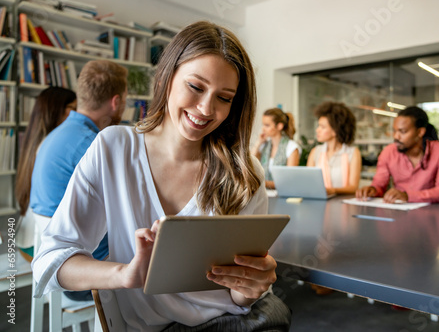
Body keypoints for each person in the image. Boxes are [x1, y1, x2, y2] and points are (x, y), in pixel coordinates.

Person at [32, 21, 291, 331]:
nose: (206, 108)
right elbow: (51, 259)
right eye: (195, 87)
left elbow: (237, 298)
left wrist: (248, 290)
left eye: (224, 98)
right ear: (167, 78)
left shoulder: (244, 172)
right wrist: (124, 275)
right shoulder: (114, 148)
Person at [30, 60, 128, 301]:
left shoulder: (57, 133)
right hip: (78, 273)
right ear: (116, 102)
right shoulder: (92, 145)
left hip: (53, 260)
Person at [15, 87, 77, 260]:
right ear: (56, 110)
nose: (77, 114)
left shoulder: (35, 142)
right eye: (73, 108)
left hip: (27, 233)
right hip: (36, 241)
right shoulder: (53, 145)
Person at [356, 106, 439, 203]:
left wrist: (408, 196)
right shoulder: (388, 152)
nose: (396, 136)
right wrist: (372, 190)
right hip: (399, 213)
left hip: (433, 215)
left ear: (420, 132)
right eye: (394, 131)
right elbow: (379, 184)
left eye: (403, 131)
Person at [307, 102, 361, 195]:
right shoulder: (315, 152)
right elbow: (308, 183)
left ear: (335, 130)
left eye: (322, 127)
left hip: (344, 205)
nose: (317, 130)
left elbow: (353, 188)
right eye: (318, 126)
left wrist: (332, 191)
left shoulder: (352, 153)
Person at [252, 107, 300, 189]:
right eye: (263, 125)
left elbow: (289, 181)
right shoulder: (264, 145)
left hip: (282, 196)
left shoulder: (291, 147)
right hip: (264, 195)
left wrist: (263, 183)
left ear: (279, 126)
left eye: (267, 125)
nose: (263, 128)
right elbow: (250, 164)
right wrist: (258, 142)